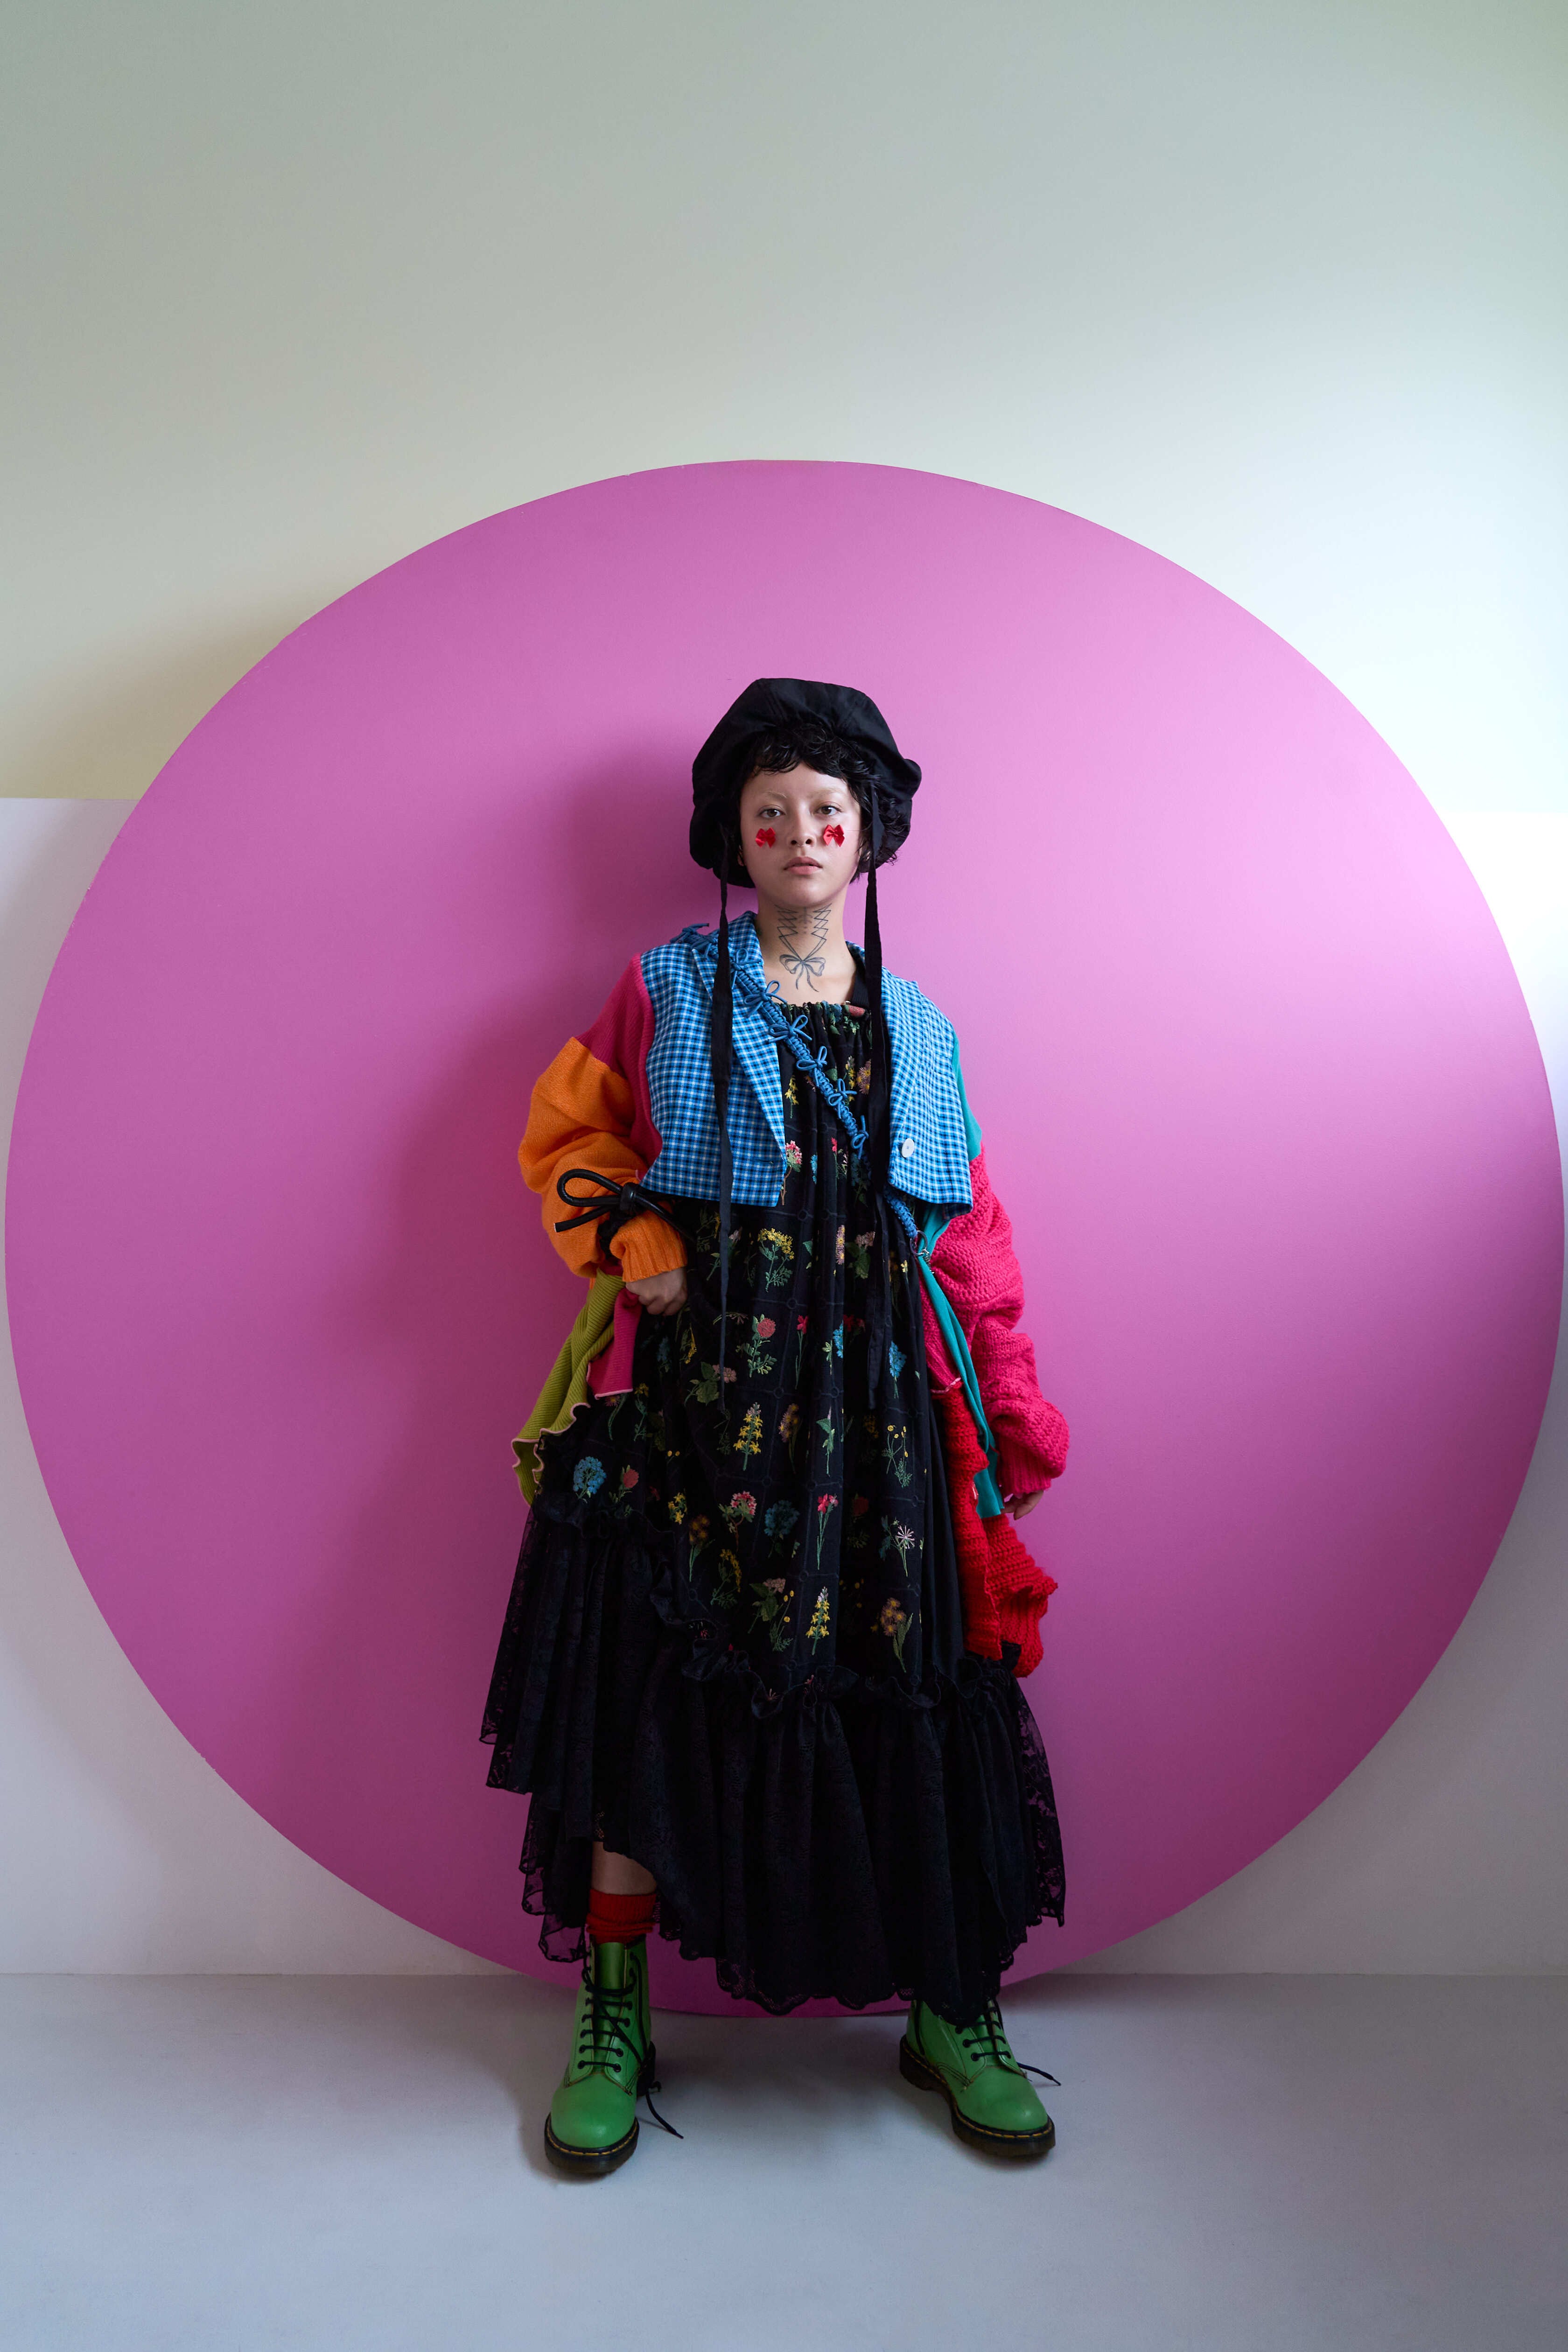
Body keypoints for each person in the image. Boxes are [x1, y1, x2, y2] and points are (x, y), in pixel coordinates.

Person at [482, 678, 1069, 2174]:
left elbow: (971, 1233)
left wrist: (1007, 1402)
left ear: (868, 836)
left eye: (827, 810)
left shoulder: (920, 1027)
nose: (801, 832)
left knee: (914, 1676)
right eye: (771, 812)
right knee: (649, 1687)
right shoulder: (661, 989)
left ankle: (952, 2000)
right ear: (732, 840)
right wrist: (631, 1237)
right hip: (697, 1406)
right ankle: (615, 2008)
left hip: (880, 1423)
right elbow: (569, 1136)